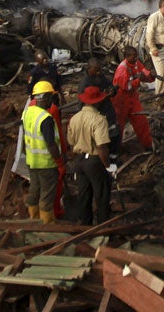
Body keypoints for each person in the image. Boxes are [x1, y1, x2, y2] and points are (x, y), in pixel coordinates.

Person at [68, 86, 116, 225]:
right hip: (94, 161)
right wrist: (107, 166)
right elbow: (101, 146)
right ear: (97, 102)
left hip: (80, 159)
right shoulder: (99, 120)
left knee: (84, 194)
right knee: (101, 195)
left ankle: (85, 225)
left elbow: (71, 143)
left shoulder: (74, 118)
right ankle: (103, 226)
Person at [25, 79, 68, 219]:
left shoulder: (28, 112)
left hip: (32, 161)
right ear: (45, 97)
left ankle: (33, 219)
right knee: (47, 195)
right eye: (51, 97)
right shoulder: (46, 118)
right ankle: (46, 224)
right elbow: (51, 144)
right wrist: (60, 161)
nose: (53, 100)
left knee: (34, 190)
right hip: (46, 164)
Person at [111, 46, 155, 151]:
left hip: (132, 98)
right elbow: (126, 86)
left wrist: (151, 76)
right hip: (121, 100)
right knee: (119, 124)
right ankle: (117, 148)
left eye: (136, 56)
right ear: (127, 57)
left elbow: (144, 72)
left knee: (141, 120)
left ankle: (147, 144)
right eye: (133, 57)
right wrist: (139, 80)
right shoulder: (122, 69)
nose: (136, 58)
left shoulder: (136, 63)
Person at [80, 58, 121, 163]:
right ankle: (104, 162)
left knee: (115, 136)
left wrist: (112, 90)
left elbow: (110, 85)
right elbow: (81, 104)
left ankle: (114, 158)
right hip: (96, 115)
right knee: (102, 141)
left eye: (100, 70)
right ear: (89, 69)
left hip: (107, 111)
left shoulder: (100, 76)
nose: (99, 73)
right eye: (96, 70)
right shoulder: (85, 83)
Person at [145, 0, 164, 93]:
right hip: (159, 50)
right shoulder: (154, 17)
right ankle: (158, 97)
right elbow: (149, 34)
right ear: (162, 6)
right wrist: (153, 48)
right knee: (161, 74)